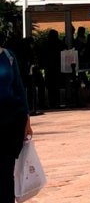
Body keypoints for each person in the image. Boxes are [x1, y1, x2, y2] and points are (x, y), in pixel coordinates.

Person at [0, 43, 34, 202]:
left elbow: (19, 88)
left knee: (7, 173)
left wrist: (27, 120)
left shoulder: (8, 56)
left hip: (10, 123)